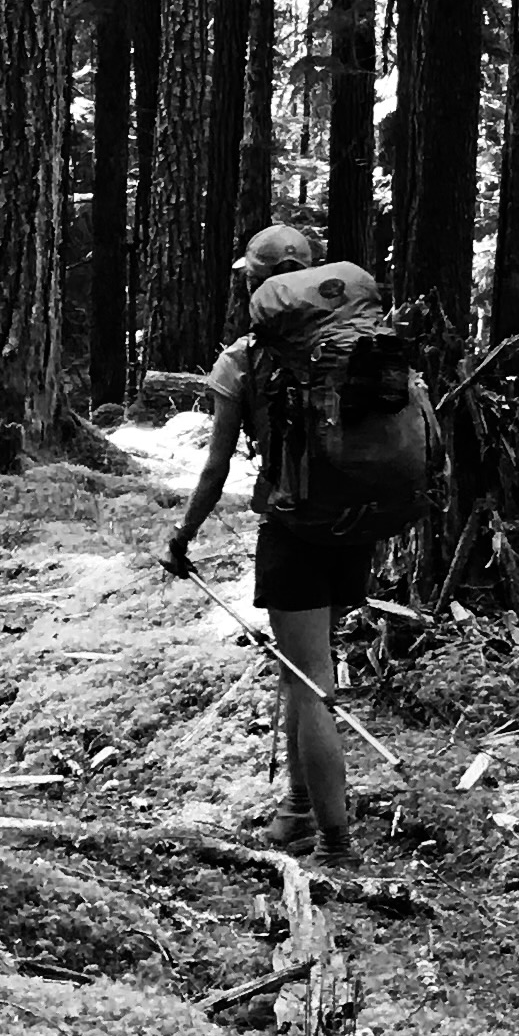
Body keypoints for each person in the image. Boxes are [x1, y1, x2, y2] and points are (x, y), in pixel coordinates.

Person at [164, 224, 383, 862]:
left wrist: (182, 537)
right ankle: (297, 809)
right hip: (352, 529)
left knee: (311, 678)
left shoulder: (243, 359)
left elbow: (215, 470)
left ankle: (336, 839)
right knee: (302, 670)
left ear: (256, 284)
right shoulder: (353, 345)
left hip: (293, 533)